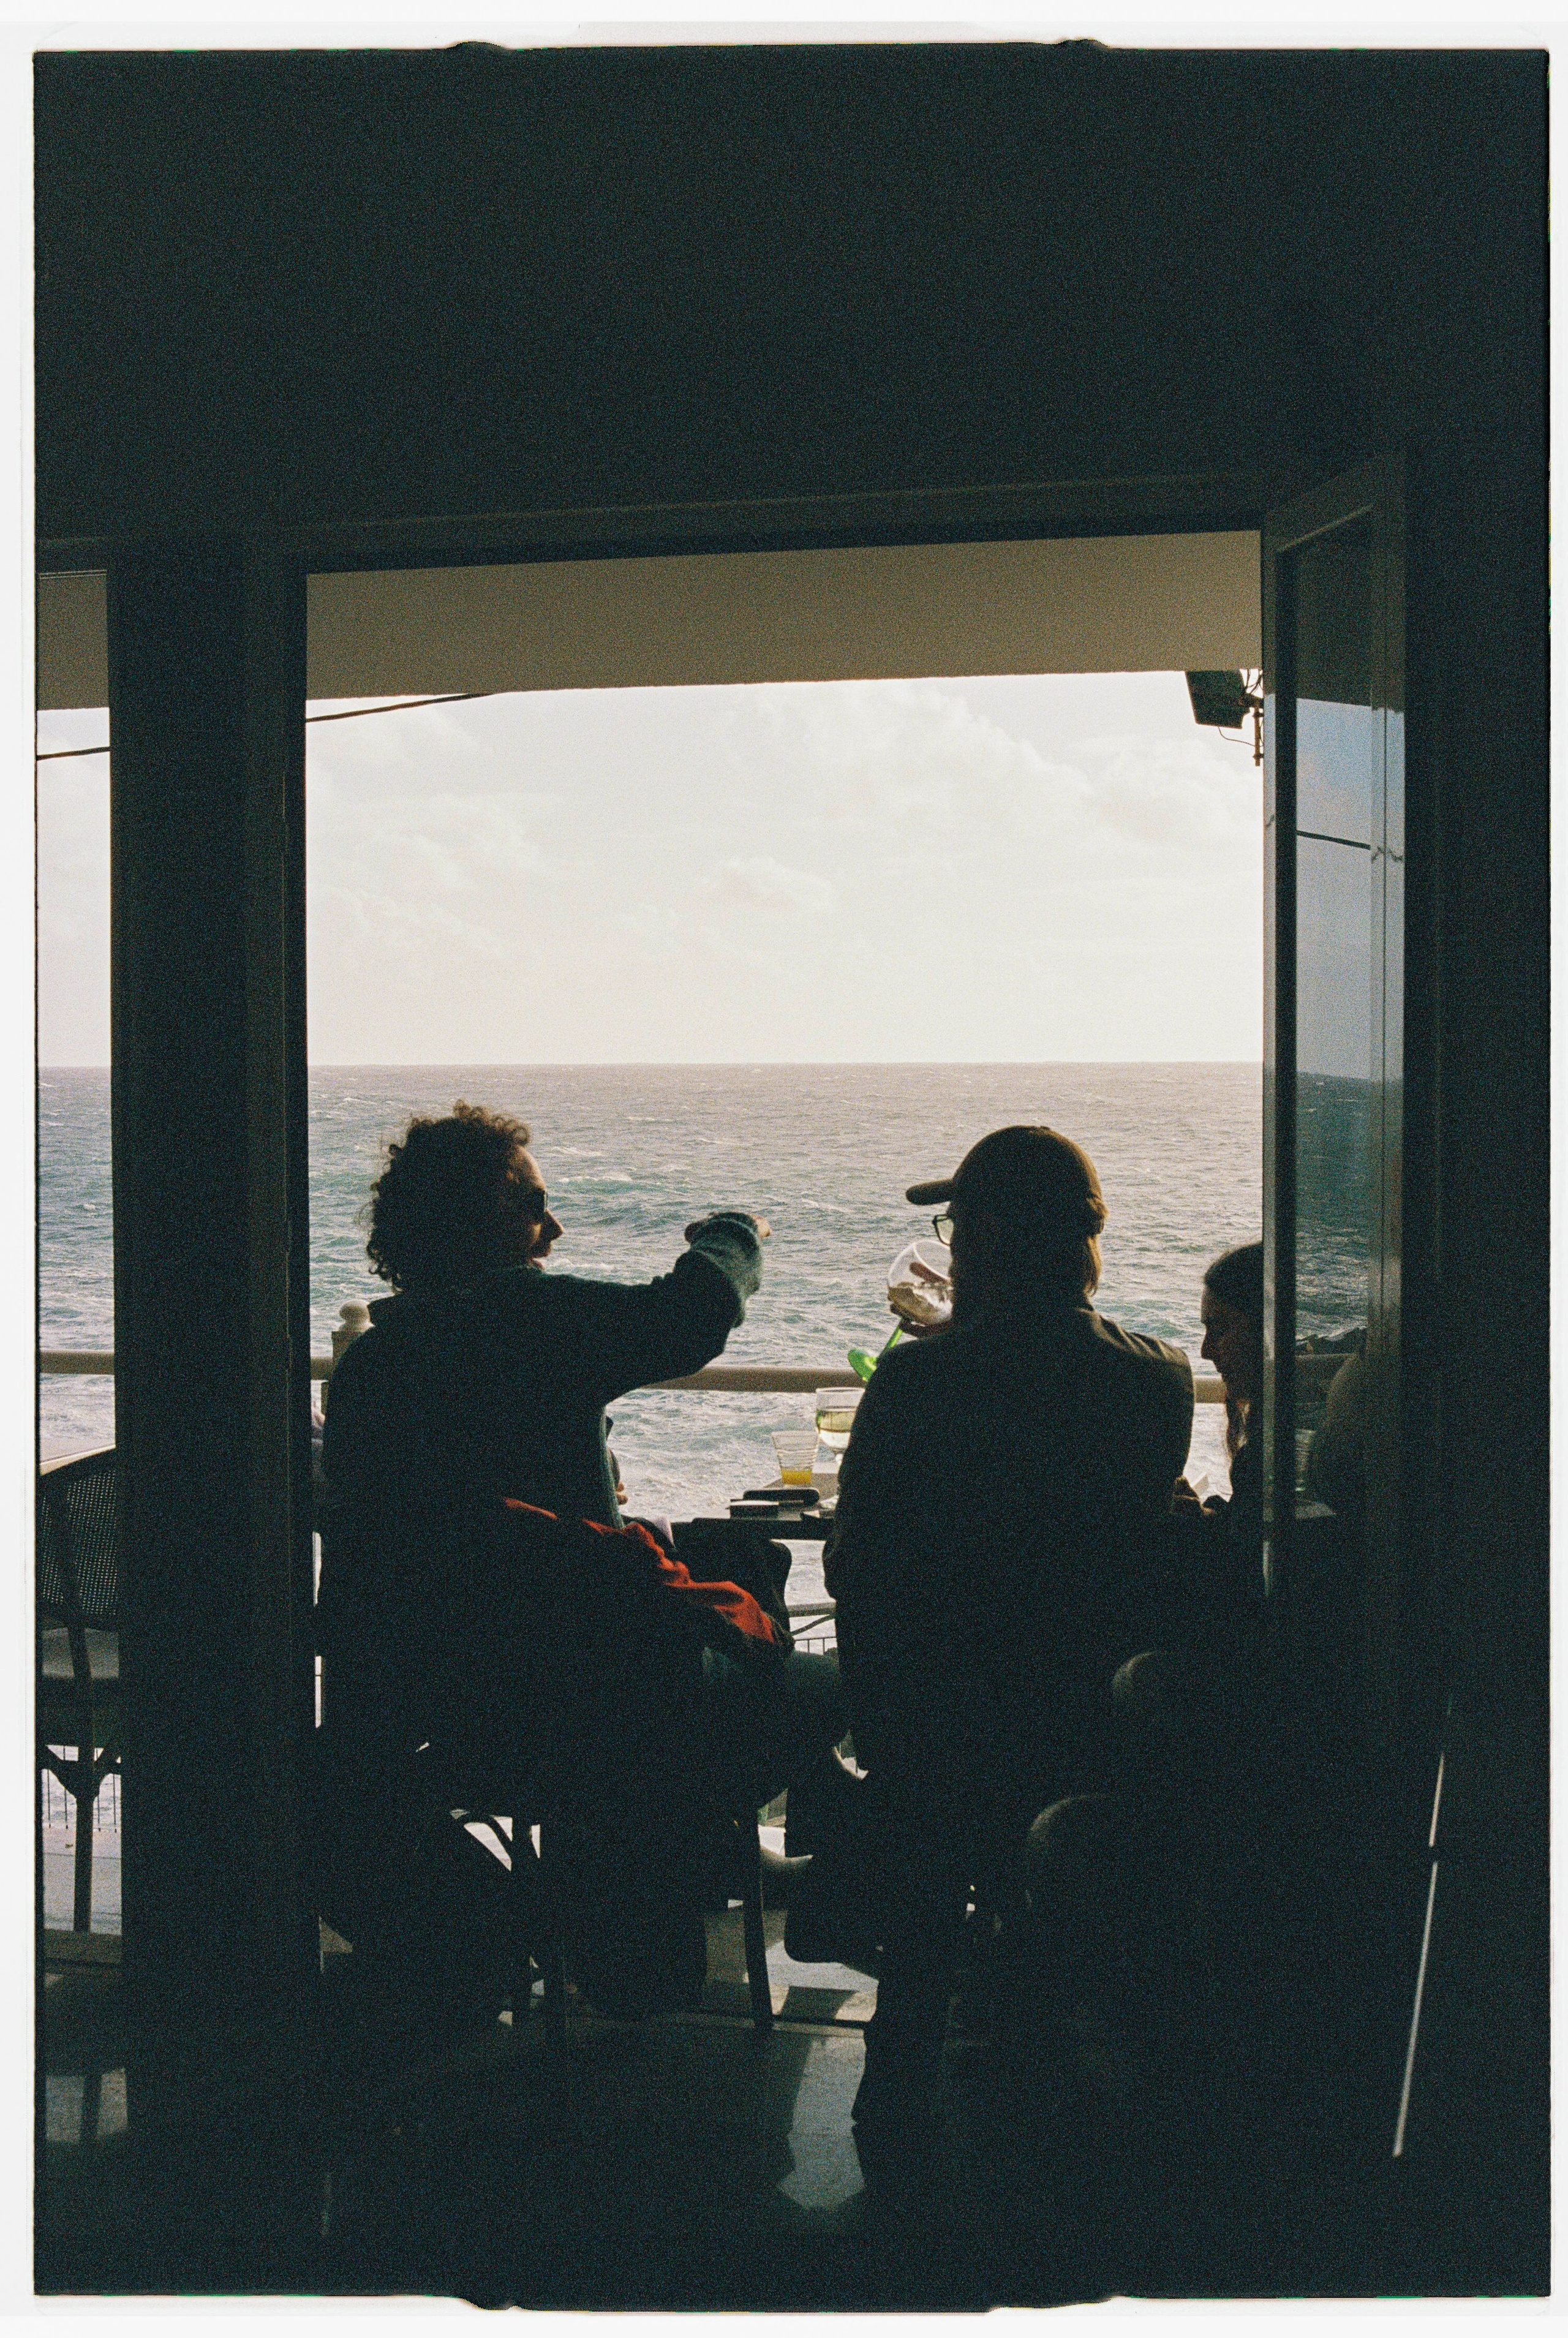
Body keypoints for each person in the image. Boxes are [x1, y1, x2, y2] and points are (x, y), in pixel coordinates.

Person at [317, 1101, 848, 2013]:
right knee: (829, 1684)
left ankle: (580, 1909)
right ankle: (711, 1874)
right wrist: (734, 1232)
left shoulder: (373, 1364)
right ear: (479, 1220)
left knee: (720, 1576)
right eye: (534, 1208)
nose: (554, 1229)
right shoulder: (526, 1317)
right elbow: (690, 1315)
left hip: (447, 1700)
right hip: (595, 1696)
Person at [818, 1124, 1194, 2130]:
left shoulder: (916, 1380)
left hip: (936, 1731)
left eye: (955, 1228)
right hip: (1084, 1727)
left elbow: (853, 1563)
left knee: (923, 1888)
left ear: (982, 1237)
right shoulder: (1159, 1378)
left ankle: (897, 2092)